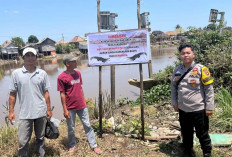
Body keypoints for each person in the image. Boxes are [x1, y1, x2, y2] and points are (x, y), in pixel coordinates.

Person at [171, 43, 214, 157]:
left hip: (198, 109)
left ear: (193, 54)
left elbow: (209, 89)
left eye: (188, 53)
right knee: (186, 132)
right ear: (180, 55)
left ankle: (207, 152)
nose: (185, 55)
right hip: (183, 109)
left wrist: (209, 107)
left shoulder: (201, 69)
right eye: (183, 53)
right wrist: (174, 103)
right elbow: (173, 87)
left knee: (202, 133)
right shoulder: (177, 69)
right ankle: (187, 151)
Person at [8, 47, 53, 157]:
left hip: (41, 112)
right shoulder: (16, 74)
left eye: (33, 55)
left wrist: (48, 109)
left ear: (36, 57)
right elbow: (12, 95)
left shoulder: (42, 73)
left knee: (41, 138)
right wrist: (11, 112)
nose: (30, 58)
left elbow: (46, 93)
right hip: (25, 113)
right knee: (23, 141)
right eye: (27, 55)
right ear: (23, 58)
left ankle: (40, 155)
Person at [57, 54, 102, 154]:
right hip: (70, 107)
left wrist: (84, 100)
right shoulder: (61, 77)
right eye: (73, 61)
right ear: (67, 64)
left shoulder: (78, 73)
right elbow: (62, 94)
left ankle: (93, 145)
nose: (76, 62)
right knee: (71, 127)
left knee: (87, 125)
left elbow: (80, 88)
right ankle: (72, 145)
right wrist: (65, 109)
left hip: (81, 105)